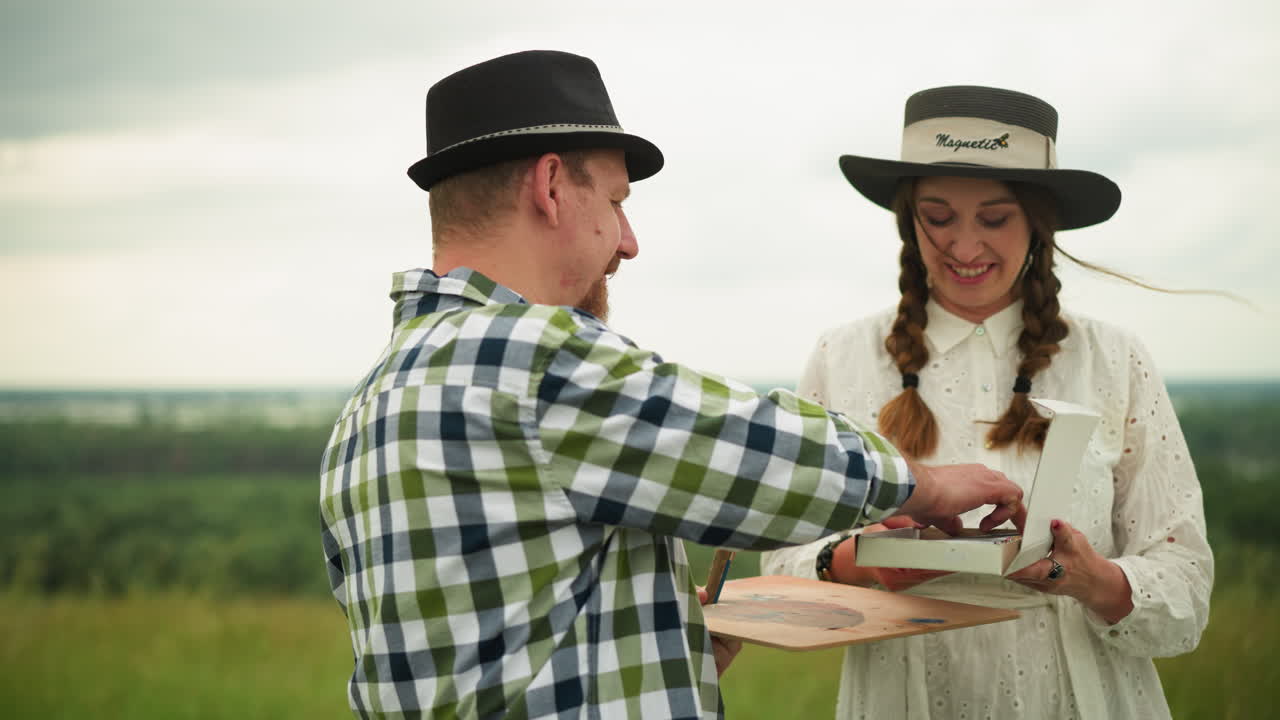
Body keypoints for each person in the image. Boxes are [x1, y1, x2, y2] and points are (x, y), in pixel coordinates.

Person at [319, 53, 1024, 719]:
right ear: (552, 185)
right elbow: (751, 450)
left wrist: (663, 645)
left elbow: (488, 646)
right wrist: (922, 485)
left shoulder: (375, 399)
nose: (628, 242)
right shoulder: (530, 355)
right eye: (618, 202)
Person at [762, 85, 1213, 719]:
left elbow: (1187, 580)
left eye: (995, 218)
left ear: (1038, 221)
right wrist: (863, 561)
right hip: (900, 696)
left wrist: (1092, 578)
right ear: (907, 218)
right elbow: (778, 561)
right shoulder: (842, 357)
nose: (965, 247)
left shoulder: (1115, 358)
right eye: (939, 217)